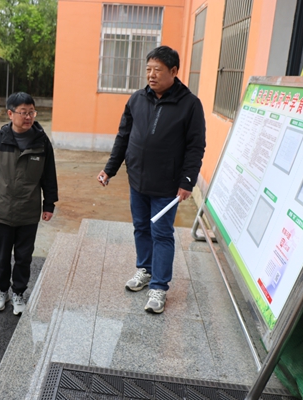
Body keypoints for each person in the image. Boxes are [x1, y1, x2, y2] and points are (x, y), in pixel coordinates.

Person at [97, 45, 206, 314]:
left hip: (167, 185)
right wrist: (110, 169)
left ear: (174, 71)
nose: (151, 75)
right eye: (148, 69)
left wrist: (187, 181)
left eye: (158, 69)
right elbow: (123, 137)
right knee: (141, 228)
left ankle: (159, 287)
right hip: (137, 180)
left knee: (162, 233)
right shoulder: (137, 99)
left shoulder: (190, 104)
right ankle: (145, 270)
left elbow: (195, 146)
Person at [0, 92, 58, 315]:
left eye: (31, 112)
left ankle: (19, 293)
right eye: (23, 112)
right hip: (1, 210)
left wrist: (49, 204)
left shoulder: (42, 142)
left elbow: (49, 175)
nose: (28, 117)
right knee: (2, 257)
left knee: (24, 257)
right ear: (10, 114)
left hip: (28, 211)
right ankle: (2, 291)